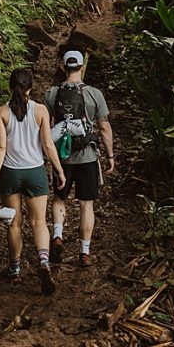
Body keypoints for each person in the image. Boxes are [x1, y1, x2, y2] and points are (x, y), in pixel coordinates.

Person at [0, 66, 66, 293]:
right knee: (39, 222)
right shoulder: (41, 111)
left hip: (10, 173)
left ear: (11, 87)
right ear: (30, 88)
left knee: (14, 223)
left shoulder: (1, 112)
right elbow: (48, 145)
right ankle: (43, 262)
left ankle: (15, 271)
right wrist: (59, 171)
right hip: (35, 172)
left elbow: (1, 147)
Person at [45, 49, 114, 266]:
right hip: (88, 157)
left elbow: (46, 127)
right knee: (86, 205)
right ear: (82, 67)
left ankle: (57, 235)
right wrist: (110, 155)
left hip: (62, 159)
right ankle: (84, 252)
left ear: (64, 67)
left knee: (59, 199)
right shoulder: (94, 94)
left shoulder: (52, 94)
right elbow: (104, 127)